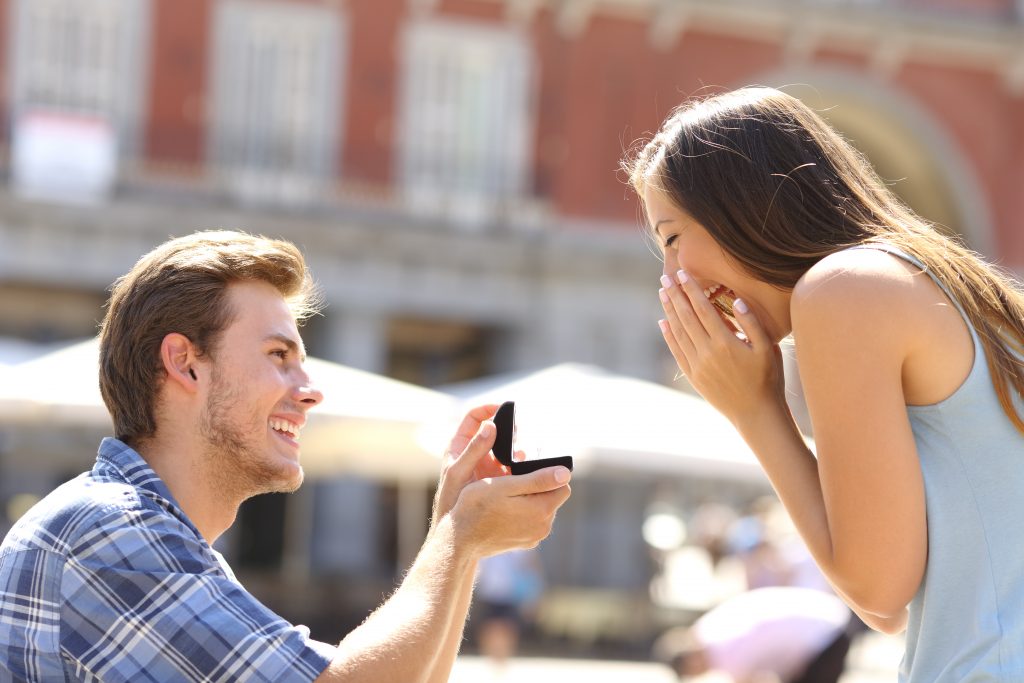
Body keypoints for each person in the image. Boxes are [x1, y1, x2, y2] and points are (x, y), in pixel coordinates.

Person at [0, 230, 572, 682]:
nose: (310, 387)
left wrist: (458, 527)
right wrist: (457, 537)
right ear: (185, 363)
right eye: (279, 354)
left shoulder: (149, 536)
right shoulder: (110, 533)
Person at [624, 86, 1024, 680]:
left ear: (745, 206)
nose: (672, 275)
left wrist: (756, 410)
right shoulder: (943, 285)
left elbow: (879, 594)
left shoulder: (843, 290)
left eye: (672, 238)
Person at [653, 586, 854, 683]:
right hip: (825, 617)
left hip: (824, 636)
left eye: (690, 673)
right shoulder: (707, 628)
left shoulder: (724, 653)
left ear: (691, 660)